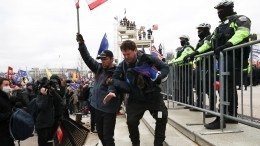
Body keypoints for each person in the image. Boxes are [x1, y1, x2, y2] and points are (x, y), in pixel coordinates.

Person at [105, 40, 169, 146]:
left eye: (128, 54)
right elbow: (114, 79)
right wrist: (111, 91)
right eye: (124, 54)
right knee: (131, 122)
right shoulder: (123, 65)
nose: (126, 57)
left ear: (135, 50)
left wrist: (159, 77)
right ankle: (135, 143)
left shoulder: (149, 58)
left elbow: (165, 67)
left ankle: (158, 143)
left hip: (153, 97)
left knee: (162, 117)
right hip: (136, 99)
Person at [204, 0, 251, 129]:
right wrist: (196, 52)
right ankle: (231, 116)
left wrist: (228, 45)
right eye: (218, 11)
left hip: (235, 59)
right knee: (227, 88)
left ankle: (222, 118)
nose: (219, 13)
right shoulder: (219, 27)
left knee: (226, 88)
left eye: (221, 10)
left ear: (230, 8)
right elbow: (208, 43)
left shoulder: (240, 19)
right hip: (224, 61)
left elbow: (243, 33)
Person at [76, 33, 119, 146]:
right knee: (100, 135)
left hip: (109, 110)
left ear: (111, 59)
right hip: (96, 108)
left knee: (108, 137)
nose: (103, 61)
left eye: (105, 59)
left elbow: (113, 86)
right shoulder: (99, 68)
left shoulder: (116, 73)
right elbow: (87, 59)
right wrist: (82, 44)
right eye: (101, 59)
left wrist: (111, 92)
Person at [184, 23, 215, 116]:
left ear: (206, 30)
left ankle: (212, 109)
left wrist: (195, 53)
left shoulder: (209, 38)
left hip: (208, 65)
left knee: (209, 88)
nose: (198, 32)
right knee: (198, 87)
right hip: (199, 66)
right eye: (198, 30)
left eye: (200, 30)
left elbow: (205, 47)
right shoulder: (199, 41)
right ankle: (199, 104)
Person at [168, 35, 195, 106]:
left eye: (182, 39)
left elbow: (182, 57)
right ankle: (184, 101)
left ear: (186, 40)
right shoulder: (181, 49)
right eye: (180, 40)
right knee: (182, 85)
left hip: (186, 68)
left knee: (188, 85)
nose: (181, 41)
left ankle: (191, 102)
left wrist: (172, 62)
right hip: (181, 68)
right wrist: (170, 62)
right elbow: (176, 58)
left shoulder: (188, 48)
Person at [0, 78, 15, 146]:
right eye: (6, 85)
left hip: (8, 131)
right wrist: (10, 114)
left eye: (9, 85)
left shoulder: (6, 96)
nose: (8, 87)